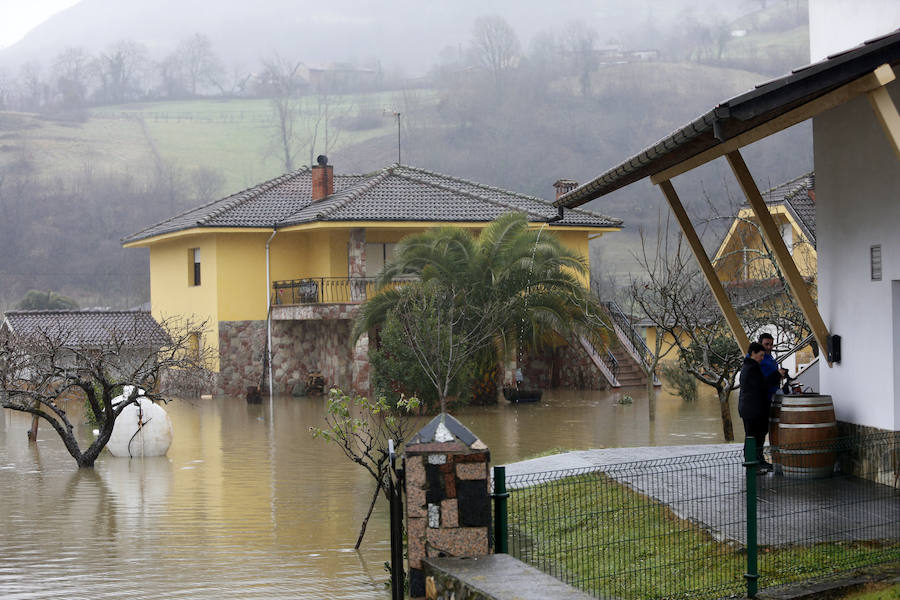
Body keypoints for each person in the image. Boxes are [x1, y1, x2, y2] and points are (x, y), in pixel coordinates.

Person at [739, 341, 786, 473]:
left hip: (752, 408)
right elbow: (762, 385)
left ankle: (757, 462)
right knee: (752, 437)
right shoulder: (752, 368)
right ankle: (752, 466)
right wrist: (777, 375)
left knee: (756, 436)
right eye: (760, 355)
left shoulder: (750, 366)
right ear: (753, 353)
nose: (762, 358)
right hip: (752, 409)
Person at [758, 333, 780, 402]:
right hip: (761, 400)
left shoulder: (770, 358)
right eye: (766, 344)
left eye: (771, 344)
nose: (769, 347)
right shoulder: (756, 359)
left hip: (772, 398)